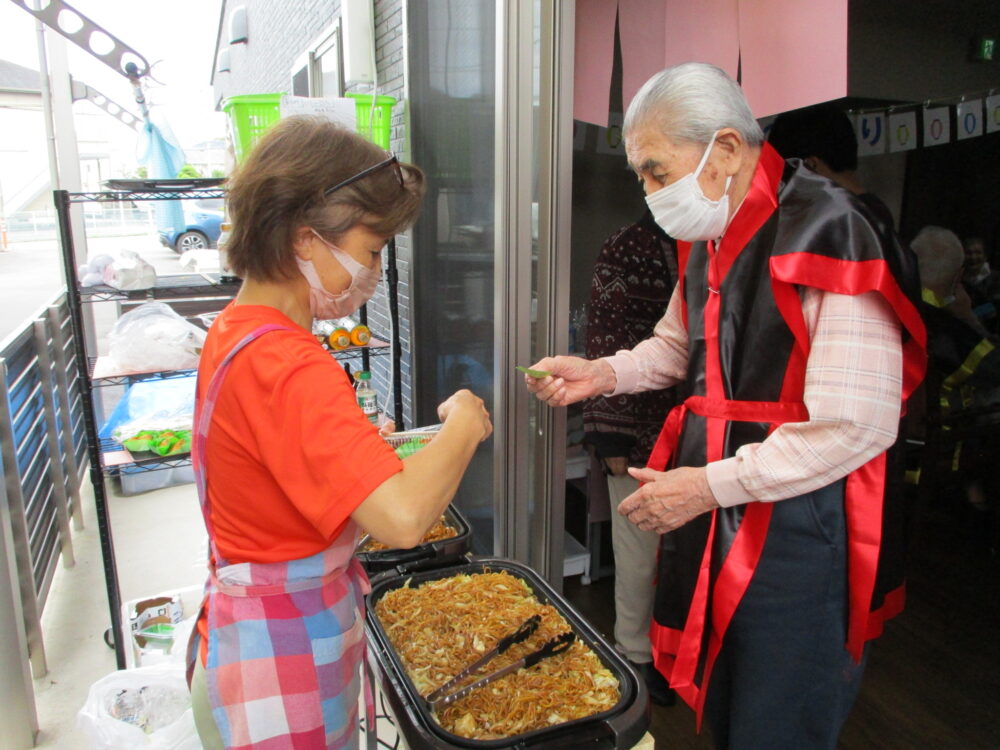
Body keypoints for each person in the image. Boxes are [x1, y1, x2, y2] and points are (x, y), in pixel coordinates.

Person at [525, 63, 926, 749]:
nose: (649, 193)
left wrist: (707, 486)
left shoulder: (833, 227)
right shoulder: (710, 232)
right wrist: (603, 374)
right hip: (721, 500)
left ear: (728, 150)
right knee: (730, 696)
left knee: (781, 708)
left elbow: (857, 424)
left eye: (656, 171)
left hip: (804, 517)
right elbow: (678, 346)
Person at [186, 116, 493, 750]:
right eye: (374, 248)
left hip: (247, 630)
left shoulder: (236, 329)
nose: (376, 268)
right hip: (282, 653)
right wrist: (464, 423)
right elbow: (404, 520)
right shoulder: (288, 363)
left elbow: (281, 459)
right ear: (305, 239)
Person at [582, 209, 678, 706]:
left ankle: (672, 651)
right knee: (640, 554)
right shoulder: (626, 246)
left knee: (681, 556)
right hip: (638, 429)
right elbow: (604, 334)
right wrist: (612, 437)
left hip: (696, 430)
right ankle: (635, 654)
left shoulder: (713, 243)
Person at [766, 101, 896, 235]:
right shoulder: (871, 215)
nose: (783, 187)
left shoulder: (837, 220)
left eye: (787, 174)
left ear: (809, 167)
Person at [961, 235, 1000, 330]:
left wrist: (968, 315)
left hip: (990, 332)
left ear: (985, 256)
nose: (973, 257)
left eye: (978, 253)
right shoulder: (957, 280)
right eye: (969, 253)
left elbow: (994, 306)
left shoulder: (996, 278)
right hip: (962, 332)